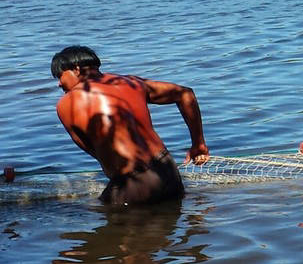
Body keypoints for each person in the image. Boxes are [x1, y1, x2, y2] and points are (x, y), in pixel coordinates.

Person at [51, 46, 210, 205]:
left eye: (60, 76)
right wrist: (198, 143)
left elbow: (93, 150)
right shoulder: (132, 82)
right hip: (168, 170)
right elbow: (185, 94)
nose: (59, 84)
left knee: (107, 218)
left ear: (76, 69)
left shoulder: (67, 103)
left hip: (136, 182)